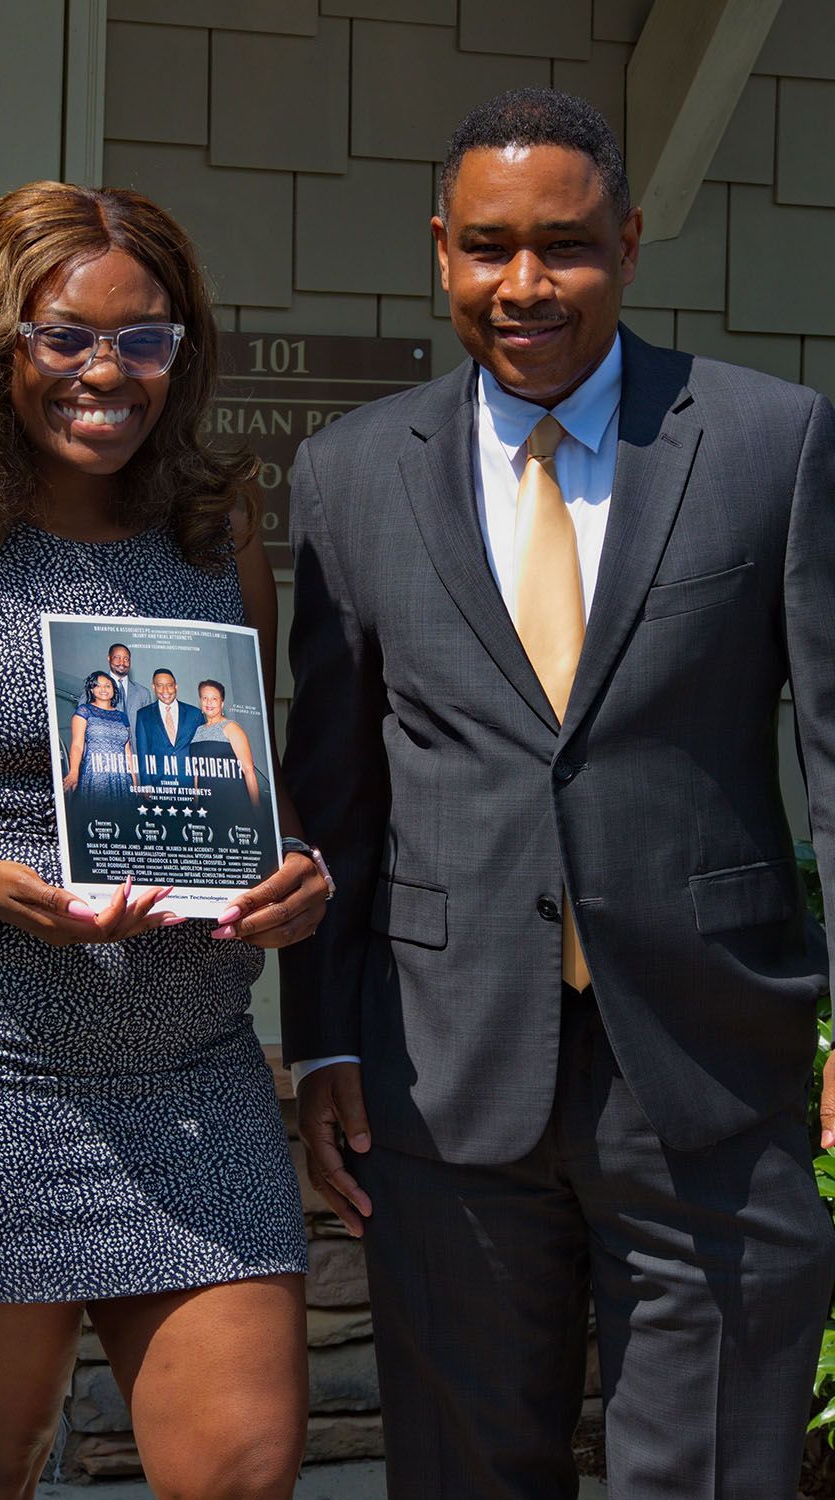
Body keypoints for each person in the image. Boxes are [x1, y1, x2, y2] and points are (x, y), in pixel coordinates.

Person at [275, 89, 835, 1500]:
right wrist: (324, 1045)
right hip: (441, 1071)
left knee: (711, 1474)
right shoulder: (348, 476)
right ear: (441, 252)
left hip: (711, 1067)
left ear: (630, 244)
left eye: (567, 247)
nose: (524, 285)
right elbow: (331, 790)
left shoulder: (773, 442)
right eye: (487, 247)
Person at [0, 180, 332, 1500]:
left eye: (145, 337)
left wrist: (292, 875)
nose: (106, 372)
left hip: (191, 1073)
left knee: (244, 1470)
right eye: (64, 336)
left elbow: (239, 793)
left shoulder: (214, 539)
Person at [191, 678, 261, 810]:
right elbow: (197, 773)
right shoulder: (198, 731)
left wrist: (256, 809)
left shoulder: (231, 727)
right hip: (206, 804)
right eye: (205, 698)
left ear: (222, 703)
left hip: (233, 801)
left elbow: (249, 770)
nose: (209, 702)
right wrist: (195, 805)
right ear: (200, 702)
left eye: (214, 699)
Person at [64, 669, 134, 801]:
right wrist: (74, 772)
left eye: (107, 685)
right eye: (98, 685)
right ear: (91, 690)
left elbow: (127, 751)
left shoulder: (122, 717)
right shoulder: (84, 711)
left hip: (122, 778)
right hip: (95, 775)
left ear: (114, 689)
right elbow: (77, 745)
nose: (104, 689)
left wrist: (135, 782)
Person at [134, 667, 202, 788]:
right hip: (158, 785)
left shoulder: (195, 714)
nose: (165, 690)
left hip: (189, 785)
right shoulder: (143, 715)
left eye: (169, 685)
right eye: (159, 685)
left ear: (176, 686)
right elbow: (143, 753)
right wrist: (146, 783)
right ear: (153, 687)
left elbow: (202, 752)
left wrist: (201, 785)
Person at [77, 642, 151, 750]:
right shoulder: (94, 688)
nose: (122, 662)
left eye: (126, 659)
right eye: (117, 657)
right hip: (103, 754)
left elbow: (147, 730)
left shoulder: (143, 693)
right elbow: (81, 729)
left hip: (135, 756)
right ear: (109, 658)